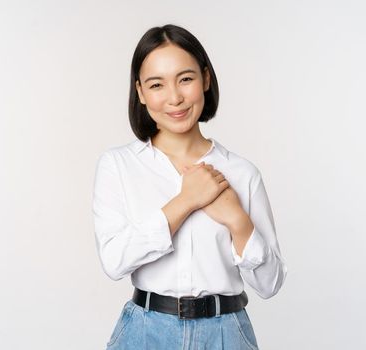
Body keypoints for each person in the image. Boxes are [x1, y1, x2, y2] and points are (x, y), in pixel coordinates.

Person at [92, 24, 288, 349]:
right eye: (157, 84)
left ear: (205, 79)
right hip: (145, 332)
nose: (175, 97)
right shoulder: (118, 165)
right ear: (140, 92)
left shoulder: (241, 173)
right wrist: (185, 201)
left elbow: (270, 284)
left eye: (185, 79)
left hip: (226, 333)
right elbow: (114, 261)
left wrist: (238, 221)